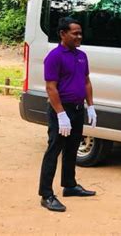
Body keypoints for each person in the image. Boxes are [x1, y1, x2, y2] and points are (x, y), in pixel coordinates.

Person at [38, 17, 98, 212]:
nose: (79, 36)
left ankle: (70, 185)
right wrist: (61, 114)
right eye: (75, 33)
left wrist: (90, 106)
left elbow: (86, 81)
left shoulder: (82, 56)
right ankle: (46, 194)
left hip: (78, 108)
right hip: (61, 109)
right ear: (63, 34)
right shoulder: (54, 56)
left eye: (80, 33)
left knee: (73, 148)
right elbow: (51, 88)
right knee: (54, 150)